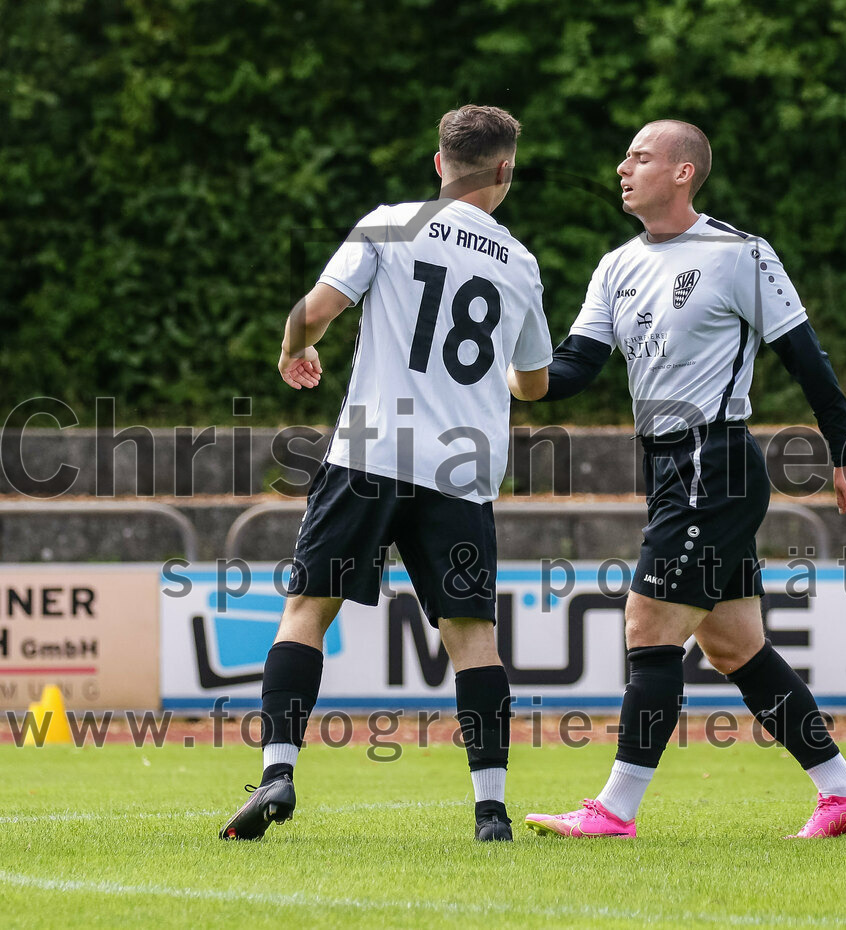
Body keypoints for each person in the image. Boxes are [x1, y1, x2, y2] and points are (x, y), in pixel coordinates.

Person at [521, 120, 846, 839]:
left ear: (683, 173)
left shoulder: (738, 254)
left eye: (641, 156)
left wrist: (845, 452)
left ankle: (615, 811)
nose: (623, 166)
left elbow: (807, 358)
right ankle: (844, 794)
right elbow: (575, 368)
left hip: (710, 463)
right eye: (624, 155)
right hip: (665, 466)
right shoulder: (615, 266)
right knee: (733, 645)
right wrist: (511, 377)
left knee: (648, 624)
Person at [220, 105, 552, 843]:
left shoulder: (391, 223)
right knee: (473, 638)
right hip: (462, 470)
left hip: (370, 452)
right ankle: (490, 810)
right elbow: (533, 384)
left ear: (440, 164)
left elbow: (318, 310)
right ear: (504, 172)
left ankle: (278, 772)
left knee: (308, 610)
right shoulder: (520, 264)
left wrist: (290, 350)